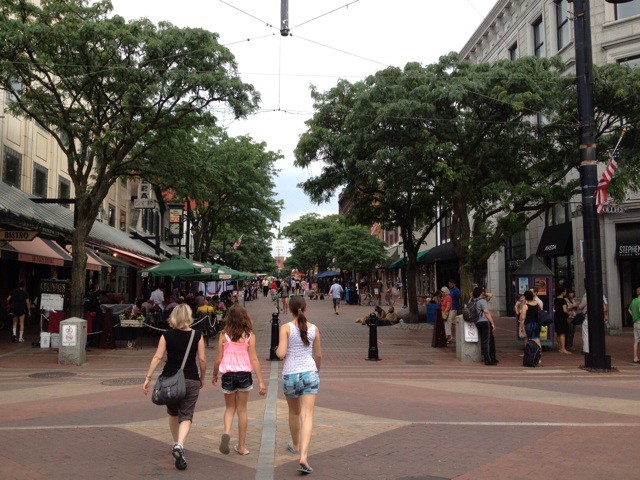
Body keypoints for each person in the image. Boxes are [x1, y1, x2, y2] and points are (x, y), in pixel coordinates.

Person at [142, 304, 206, 470]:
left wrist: (148, 377)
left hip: (170, 379)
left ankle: (176, 442)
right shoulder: (197, 335)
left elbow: (158, 356)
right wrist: (202, 377)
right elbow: (203, 360)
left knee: (173, 412)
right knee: (187, 414)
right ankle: (179, 445)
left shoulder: (166, 335)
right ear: (189, 317)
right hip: (191, 378)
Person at [275, 295, 322, 475]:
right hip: (309, 373)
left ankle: (294, 444)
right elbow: (318, 356)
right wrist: (316, 371)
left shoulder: (285, 328)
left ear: (290, 309)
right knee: (307, 415)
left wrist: (276, 350)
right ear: (306, 308)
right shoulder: (314, 329)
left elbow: (281, 353)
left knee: (294, 412)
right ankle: (303, 455)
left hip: (290, 375)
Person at [212, 305, 266, 456]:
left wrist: (215, 374)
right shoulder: (249, 335)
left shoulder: (224, 335)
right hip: (244, 374)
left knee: (230, 408)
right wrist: (261, 381)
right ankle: (242, 447)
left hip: (228, 375)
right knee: (242, 410)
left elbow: (218, 359)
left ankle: (227, 432)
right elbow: (254, 359)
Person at [578, 288, 608, 354]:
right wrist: (605, 315)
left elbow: (580, 306)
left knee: (586, 334)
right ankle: (597, 349)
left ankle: (586, 350)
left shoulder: (587, 295)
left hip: (588, 317)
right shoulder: (601, 295)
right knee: (597, 333)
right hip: (599, 317)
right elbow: (605, 307)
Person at [473, 286, 497, 366]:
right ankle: (488, 360)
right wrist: (492, 323)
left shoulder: (473, 300)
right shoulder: (482, 301)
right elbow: (486, 312)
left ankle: (489, 357)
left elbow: (490, 295)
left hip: (477, 322)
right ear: (481, 293)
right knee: (487, 341)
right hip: (484, 321)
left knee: (484, 340)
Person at [520, 290, 541, 362]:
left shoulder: (525, 306)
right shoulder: (537, 304)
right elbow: (541, 310)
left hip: (529, 324)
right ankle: (539, 356)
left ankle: (533, 357)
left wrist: (521, 326)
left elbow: (523, 318)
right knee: (537, 339)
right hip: (537, 324)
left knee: (531, 340)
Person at [553, 287, 571, 354]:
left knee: (558, 332)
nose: (566, 293)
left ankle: (560, 348)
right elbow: (564, 310)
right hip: (562, 317)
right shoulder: (563, 300)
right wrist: (568, 312)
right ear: (563, 292)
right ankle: (563, 349)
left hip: (557, 316)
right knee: (562, 333)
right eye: (565, 291)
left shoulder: (556, 299)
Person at [629, 287, 640, 363]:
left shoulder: (633, 300)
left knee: (636, 340)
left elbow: (629, 309)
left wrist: (633, 315)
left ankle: (635, 357)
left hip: (635, 322)